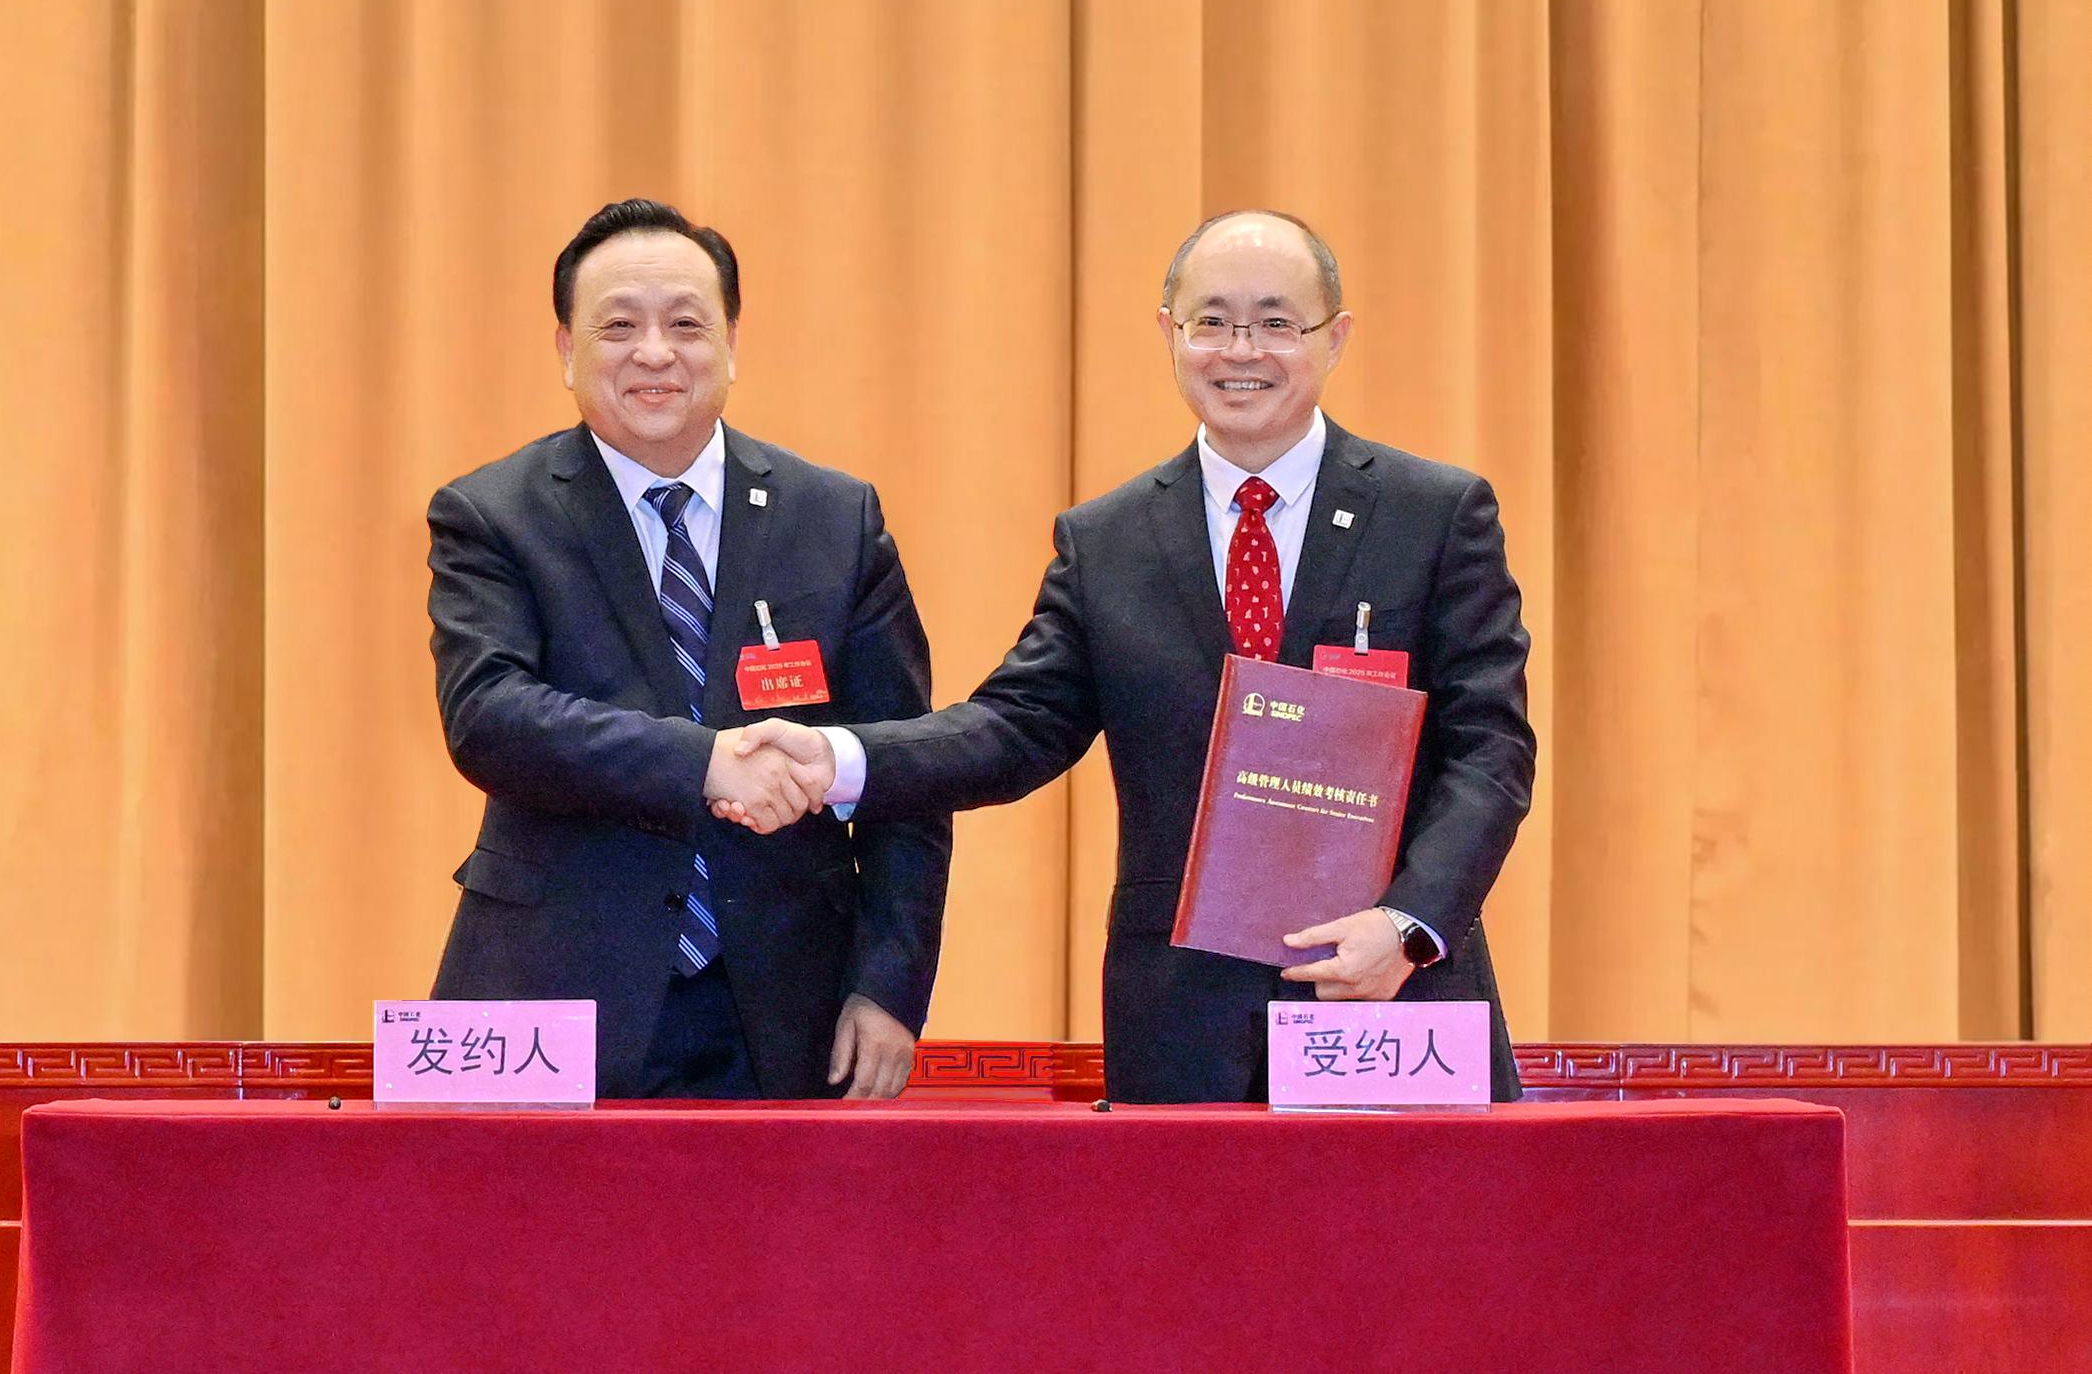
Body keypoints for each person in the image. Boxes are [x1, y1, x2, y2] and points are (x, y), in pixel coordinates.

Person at [720, 210, 1533, 1102]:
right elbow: (1014, 729)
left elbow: (1490, 752)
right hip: (1185, 1023)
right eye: (1211, 322)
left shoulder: (1435, 516)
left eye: (1275, 322)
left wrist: (1410, 925)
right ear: (1169, 333)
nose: (1240, 351)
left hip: (1396, 997)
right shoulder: (1109, 542)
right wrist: (840, 757)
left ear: (1334, 338)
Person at [427, 198, 950, 1099]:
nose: (654, 353)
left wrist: (890, 985)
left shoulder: (835, 518)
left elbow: (903, 770)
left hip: (793, 1004)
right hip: (553, 991)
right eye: (618, 327)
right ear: (566, 350)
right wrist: (705, 762)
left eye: (685, 324)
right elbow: (489, 719)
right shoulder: (492, 515)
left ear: (732, 344)